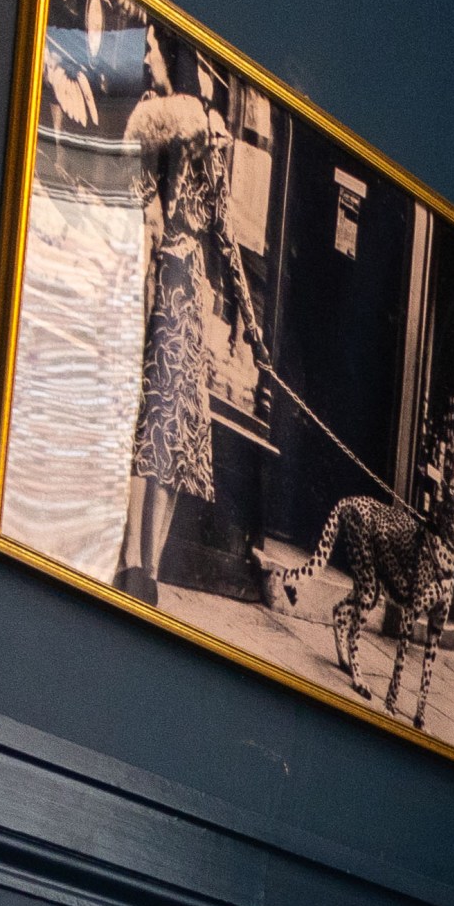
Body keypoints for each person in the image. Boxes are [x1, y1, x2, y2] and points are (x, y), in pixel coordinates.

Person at [113, 37, 265, 603]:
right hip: (160, 286)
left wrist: (251, 327)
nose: (215, 141)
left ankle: (146, 568)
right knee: (151, 428)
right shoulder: (161, 141)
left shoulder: (209, 159)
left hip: (187, 298)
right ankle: (134, 563)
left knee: (173, 437)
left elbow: (227, 236)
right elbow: (137, 182)